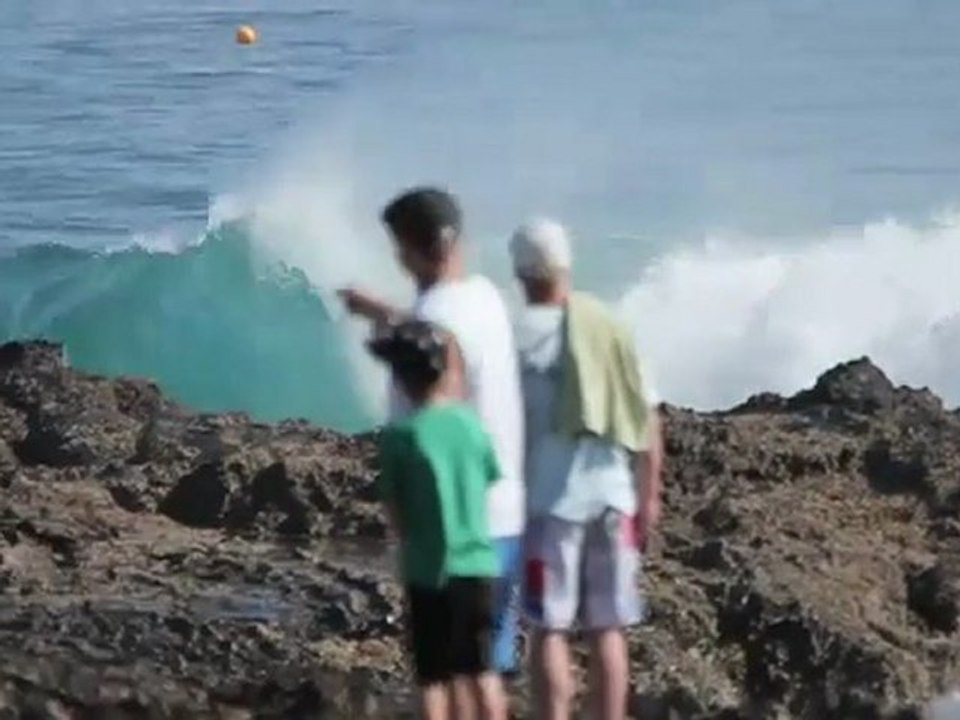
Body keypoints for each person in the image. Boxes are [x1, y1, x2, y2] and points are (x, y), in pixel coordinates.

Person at [339, 187, 525, 676]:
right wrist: (384, 313)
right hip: (506, 513)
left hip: (455, 527)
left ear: (405, 247)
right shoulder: (486, 299)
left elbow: (440, 367)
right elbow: (443, 341)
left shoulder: (432, 324)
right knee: (493, 666)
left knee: (450, 674)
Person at [509, 218, 663, 720]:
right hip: (614, 499)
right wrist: (648, 494)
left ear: (520, 273)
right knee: (608, 629)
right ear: (566, 264)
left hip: (550, 505)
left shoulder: (519, 336)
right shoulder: (610, 326)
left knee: (548, 629)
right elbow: (647, 419)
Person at [368, 319, 506, 720]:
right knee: (481, 671)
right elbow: (488, 479)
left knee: (434, 679)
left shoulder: (401, 436)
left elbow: (396, 513)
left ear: (401, 380)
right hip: (478, 564)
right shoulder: (471, 426)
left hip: (429, 569)